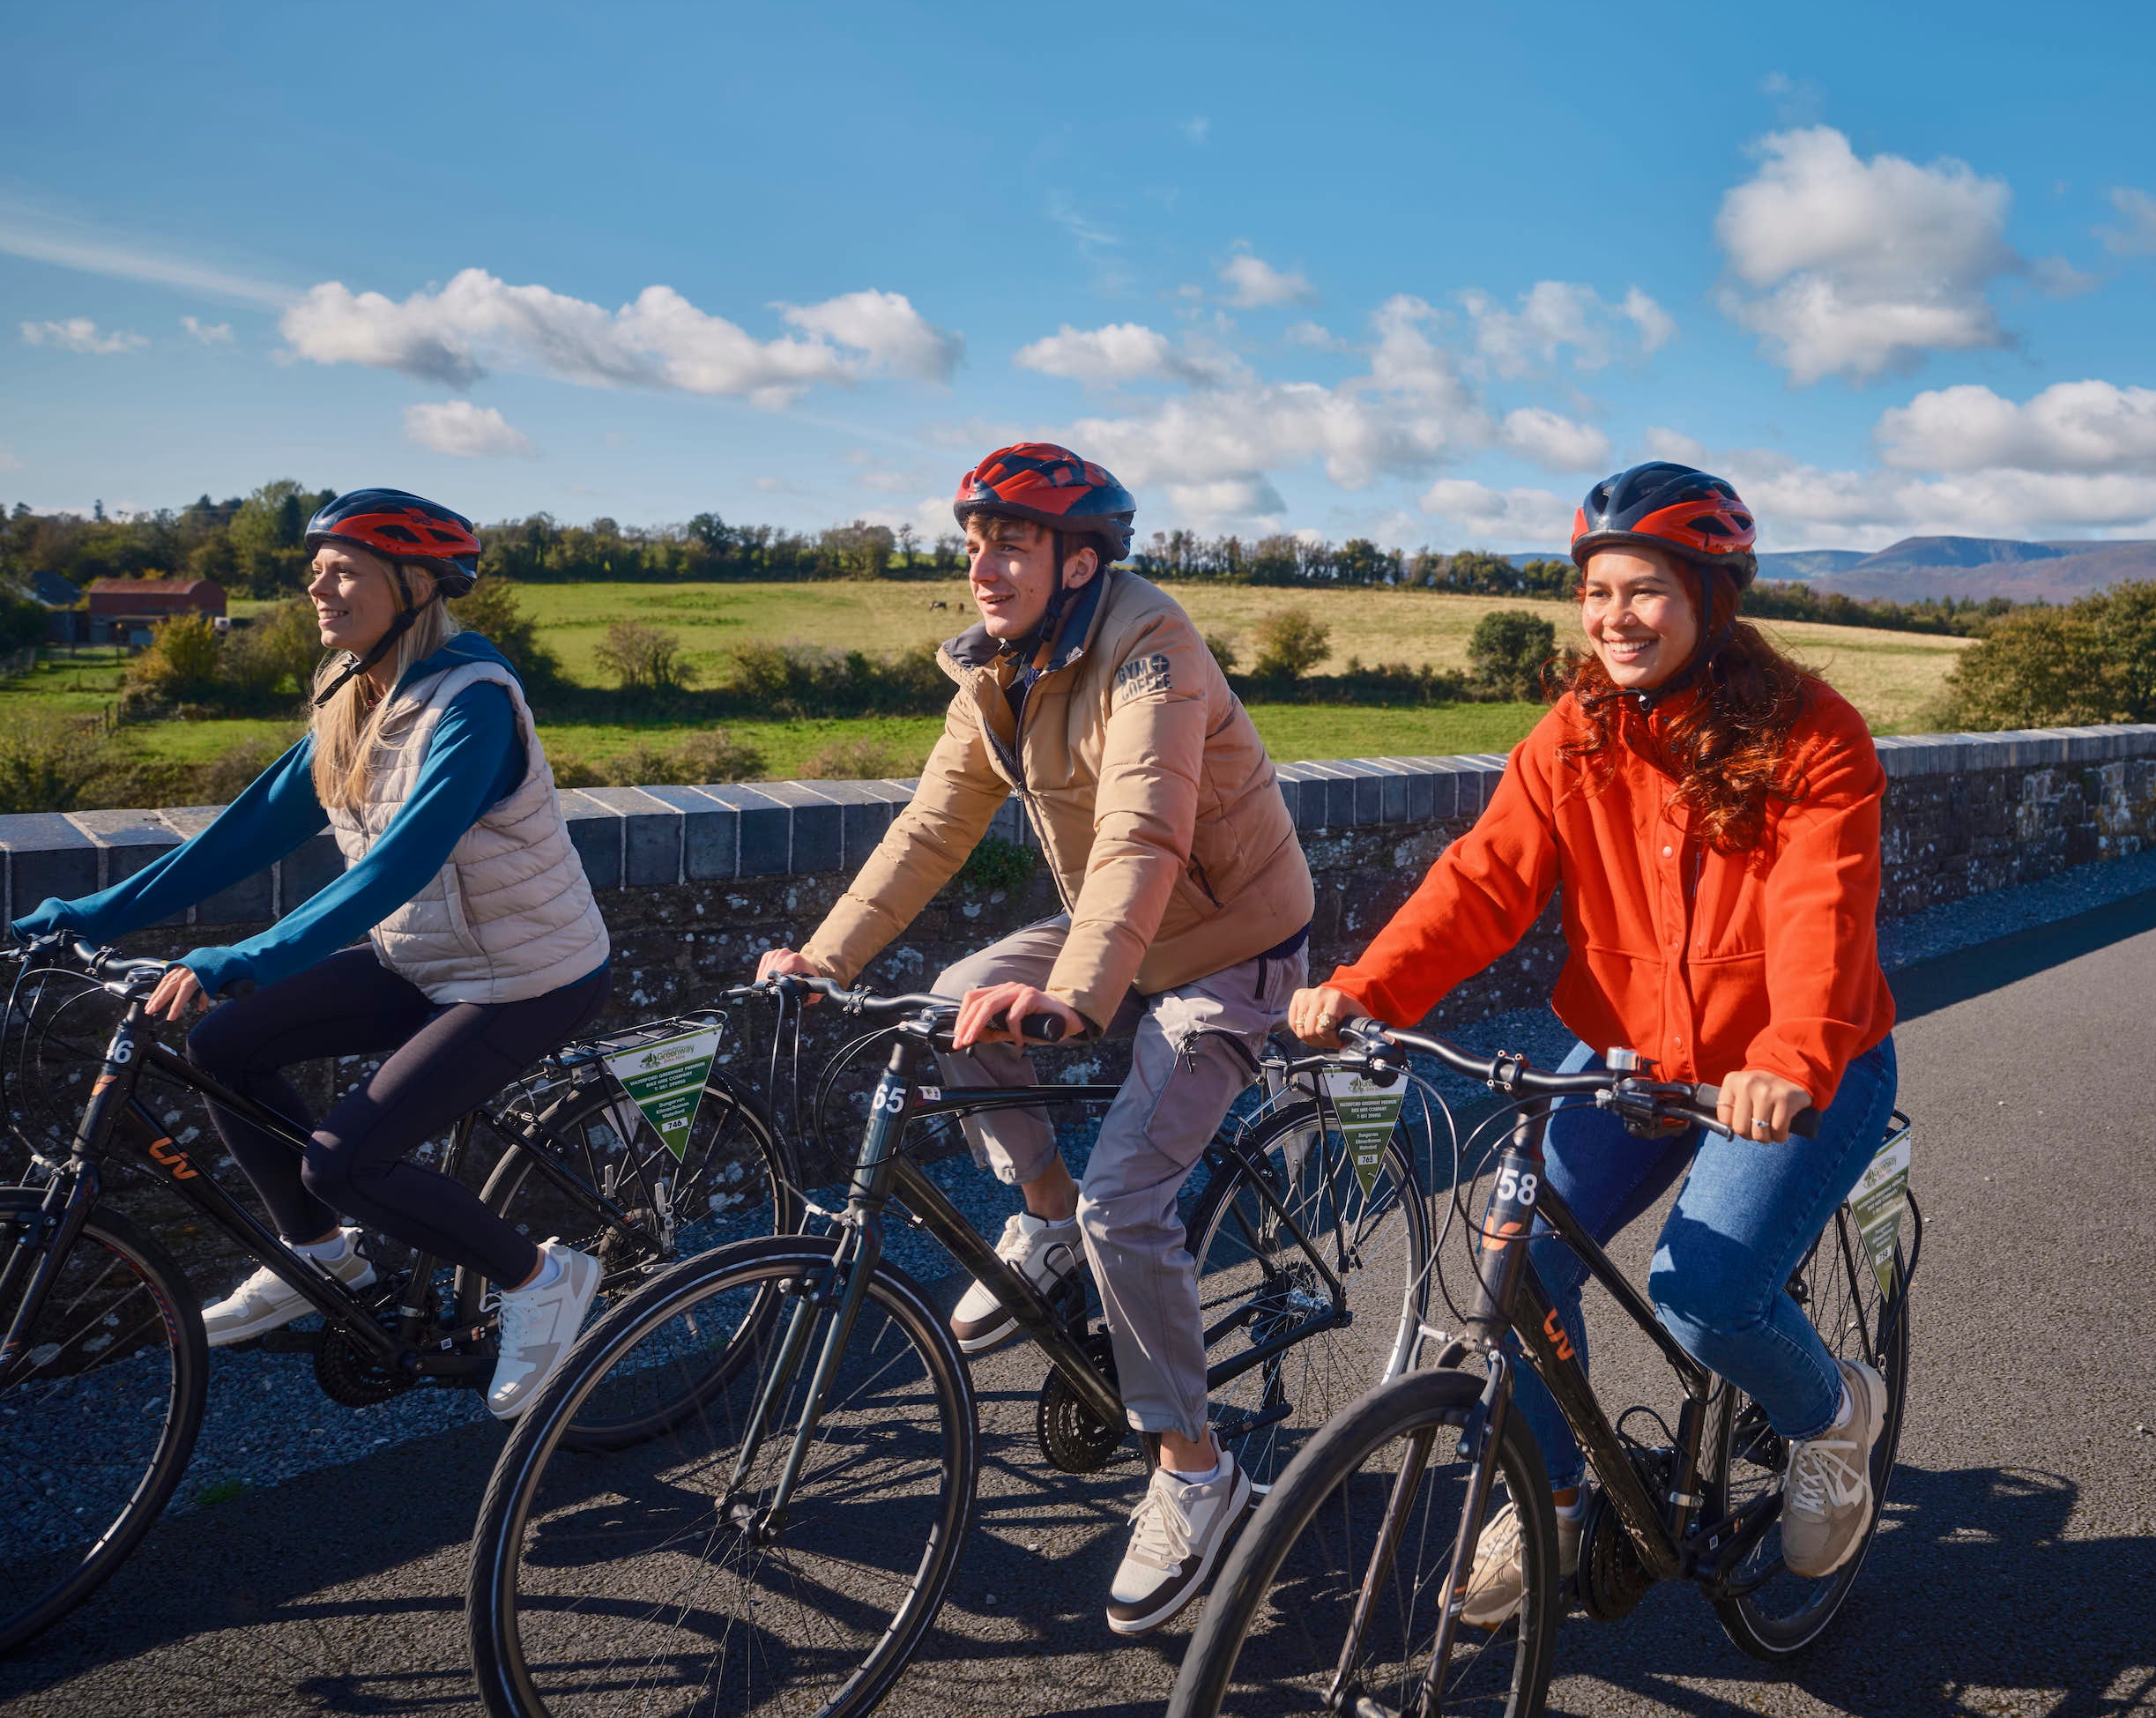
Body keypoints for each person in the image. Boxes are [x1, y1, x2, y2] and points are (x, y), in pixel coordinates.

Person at [1288, 460, 1900, 1619]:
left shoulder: (1813, 734)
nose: (1615, 617)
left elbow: (1821, 913)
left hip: (1796, 1068)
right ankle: (1555, 1503)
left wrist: (1790, 1057)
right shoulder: (1575, 734)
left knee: (1706, 1294)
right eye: (1598, 592)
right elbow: (1482, 882)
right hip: (1628, 1057)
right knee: (1516, 1257)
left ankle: (1832, 1414)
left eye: (1646, 590)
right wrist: (1368, 990)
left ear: (1711, 597)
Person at [754, 443, 1315, 1635]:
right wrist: (826, 957)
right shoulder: (996, 670)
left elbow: (1146, 831)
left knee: (1130, 1201)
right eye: (974, 544)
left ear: (1080, 561)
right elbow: (930, 826)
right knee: (958, 1001)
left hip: (1228, 942)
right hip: (1121, 926)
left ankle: (1198, 1473)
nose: (983, 567)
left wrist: (1079, 994)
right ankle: (1043, 1214)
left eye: (1010, 543)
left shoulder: (1153, 644)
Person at [8, 489, 613, 1420]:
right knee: (224, 1046)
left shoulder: (474, 705)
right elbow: (242, 835)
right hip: (423, 962)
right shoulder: (352, 693)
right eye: (316, 571)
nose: (317, 589)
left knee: (345, 1162)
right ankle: (321, 1257)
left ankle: (542, 1277)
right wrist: (77, 917)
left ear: (414, 587)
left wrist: (242, 957)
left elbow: (399, 865)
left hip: (527, 976)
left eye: (344, 572)